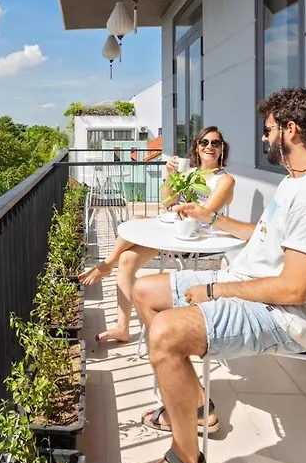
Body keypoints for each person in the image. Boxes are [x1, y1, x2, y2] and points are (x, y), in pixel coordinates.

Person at [121, 88, 306, 463]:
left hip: (289, 318)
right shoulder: (298, 181)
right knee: (145, 289)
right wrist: (210, 218)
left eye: (269, 129)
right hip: (253, 286)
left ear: (291, 130)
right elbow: (266, 234)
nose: (263, 137)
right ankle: (195, 403)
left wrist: (216, 291)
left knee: (166, 332)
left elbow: (293, 290)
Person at [79, 126, 235, 344]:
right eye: (204, 142)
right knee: (127, 258)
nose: (209, 147)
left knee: (137, 221)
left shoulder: (224, 180)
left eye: (215, 143)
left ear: (222, 149)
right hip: (173, 232)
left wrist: (176, 208)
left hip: (197, 239)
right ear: (197, 147)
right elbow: (166, 202)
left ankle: (106, 264)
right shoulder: (190, 173)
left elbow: (204, 214)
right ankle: (122, 327)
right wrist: (170, 175)